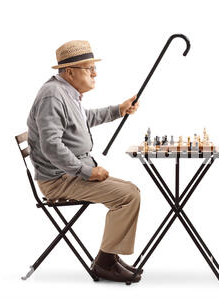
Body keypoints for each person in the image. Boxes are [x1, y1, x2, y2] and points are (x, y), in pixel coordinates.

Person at [27, 40, 142, 283]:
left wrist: (118, 110)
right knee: (128, 196)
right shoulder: (52, 96)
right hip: (59, 179)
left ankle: (108, 256)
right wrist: (85, 172)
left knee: (131, 190)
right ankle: (105, 262)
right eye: (88, 68)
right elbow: (51, 145)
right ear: (69, 72)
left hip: (69, 172)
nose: (95, 73)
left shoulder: (65, 92)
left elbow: (82, 118)